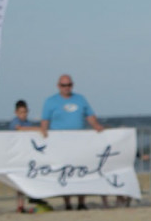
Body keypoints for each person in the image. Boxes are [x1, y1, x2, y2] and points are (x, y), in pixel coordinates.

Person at [40, 74, 105, 210]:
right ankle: (67, 203)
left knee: (82, 171)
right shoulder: (50, 101)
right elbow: (45, 121)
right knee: (65, 173)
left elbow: (90, 116)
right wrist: (43, 134)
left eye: (69, 85)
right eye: (64, 85)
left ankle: (81, 202)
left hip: (80, 142)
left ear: (72, 85)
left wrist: (96, 126)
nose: (66, 88)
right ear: (58, 86)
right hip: (60, 143)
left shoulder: (80, 99)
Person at [8, 100, 48, 213]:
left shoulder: (28, 123)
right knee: (18, 181)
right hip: (17, 155)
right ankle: (20, 205)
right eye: (21, 112)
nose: (23, 114)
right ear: (16, 112)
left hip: (27, 155)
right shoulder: (14, 122)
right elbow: (19, 129)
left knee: (28, 179)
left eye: (25, 112)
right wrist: (38, 129)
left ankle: (31, 200)